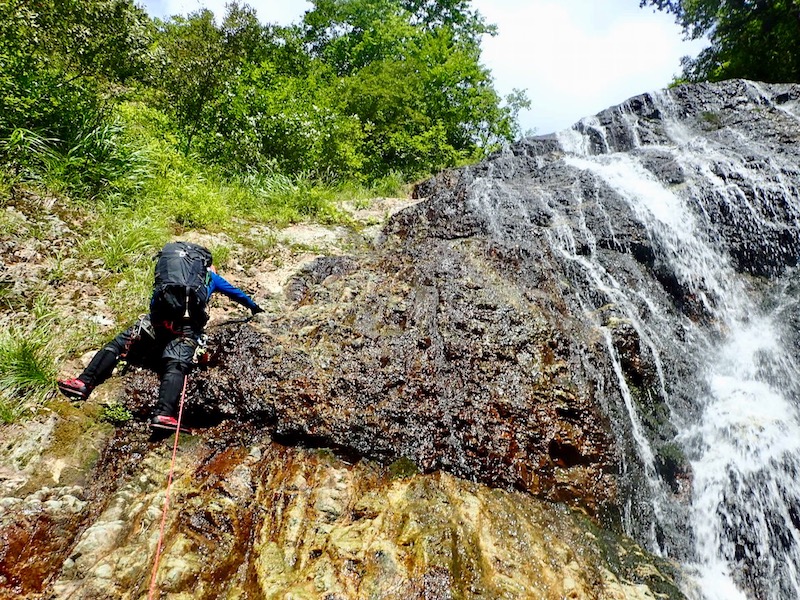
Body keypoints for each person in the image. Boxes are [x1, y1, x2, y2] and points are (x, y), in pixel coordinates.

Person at [57, 241, 263, 431]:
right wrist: (255, 309)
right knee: (176, 363)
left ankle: (84, 383)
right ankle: (163, 415)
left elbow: (157, 294)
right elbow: (238, 295)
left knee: (119, 345)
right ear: (206, 267)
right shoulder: (211, 278)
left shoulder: (171, 272)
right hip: (185, 327)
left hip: (156, 321)